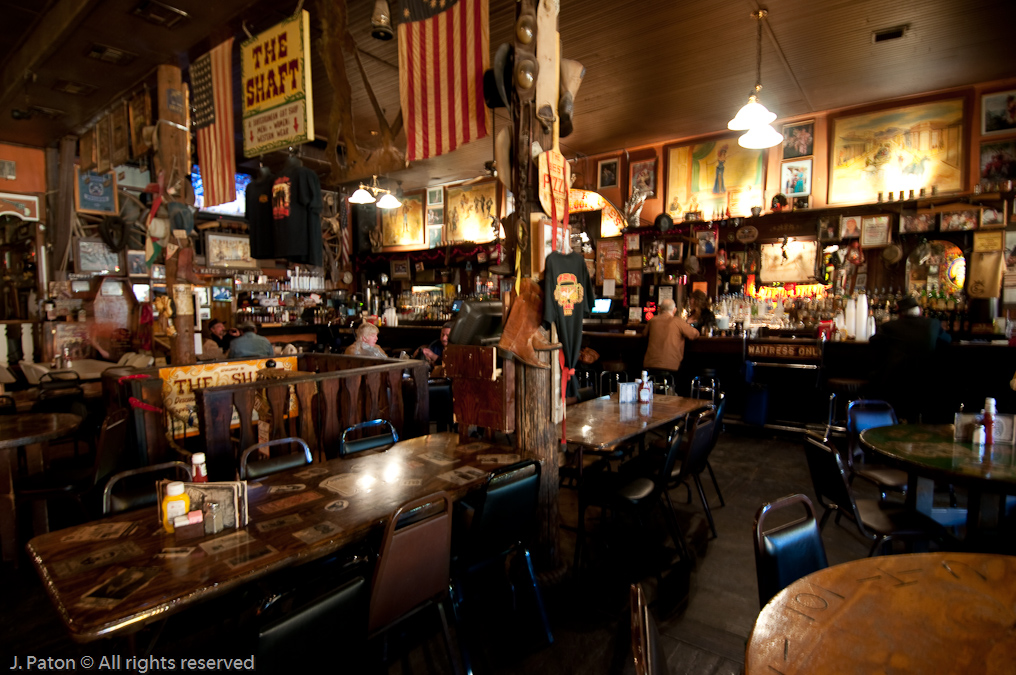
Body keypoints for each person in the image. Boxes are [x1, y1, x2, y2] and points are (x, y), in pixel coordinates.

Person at [869, 295, 951, 422]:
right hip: (929, 382)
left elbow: (873, 341)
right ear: (920, 311)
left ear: (900, 314)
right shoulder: (933, 324)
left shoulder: (890, 327)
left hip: (895, 382)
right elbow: (947, 340)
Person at [642, 298, 700, 380]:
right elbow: (694, 334)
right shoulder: (678, 322)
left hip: (650, 364)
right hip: (671, 366)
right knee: (688, 370)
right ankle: (673, 391)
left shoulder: (652, 321)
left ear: (660, 309)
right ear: (674, 310)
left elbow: (644, 335)